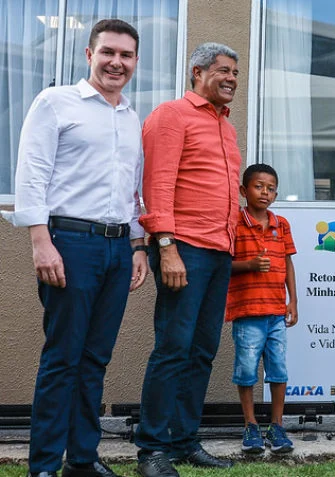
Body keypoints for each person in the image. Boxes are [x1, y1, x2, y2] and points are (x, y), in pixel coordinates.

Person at [4, 18, 145, 477]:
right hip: (70, 244)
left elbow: (132, 190)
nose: (116, 62)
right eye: (108, 52)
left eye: (126, 55)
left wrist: (138, 246)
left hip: (117, 249)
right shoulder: (55, 102)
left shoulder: (131, 117)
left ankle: (82, 459)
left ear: (135, 61)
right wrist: (40, 241)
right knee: (63, 357)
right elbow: (31, 173)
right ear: (89, 55)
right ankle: (44, 465)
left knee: (95, 359)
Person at [135, 42, 242, 477]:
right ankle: (152, 449)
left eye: (235, 72)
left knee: (202, 351)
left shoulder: (226, 127)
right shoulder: (171, 115)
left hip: (219, 252)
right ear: (197, 72)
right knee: (173, 349)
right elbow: (157, 185)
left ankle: (184, 441)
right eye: (223, 70)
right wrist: (166, 247)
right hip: (184, 249)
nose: (232, 78)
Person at [226, 164, 298, 454]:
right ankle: (250, 425)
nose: (265, 192)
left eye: (270, 188)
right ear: (244, 190)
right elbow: (222, 264)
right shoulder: (234, 222)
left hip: (276, 313)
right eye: (258, 186)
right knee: (246, 370)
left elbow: (288, 263)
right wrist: (249, 265)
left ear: (276, 194)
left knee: (278, 370)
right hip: (247, 314)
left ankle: (277, 426)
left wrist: (293, 301)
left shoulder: (282, 224)